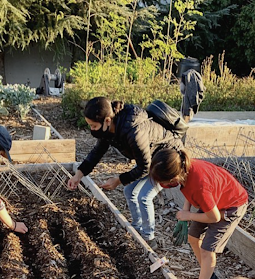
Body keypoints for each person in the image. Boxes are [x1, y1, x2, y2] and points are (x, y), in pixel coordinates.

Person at [67, 96, 184, 250]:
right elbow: (97, 152)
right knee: (129, 190)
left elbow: (144, 167)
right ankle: (136, 228)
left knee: (144, 196)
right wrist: (78, 175)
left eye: (93, 126)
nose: (91, 130)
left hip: (168, 161)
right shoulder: (109, 129)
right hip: (151, 160)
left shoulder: (134, 130)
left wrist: (118, 179)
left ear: (107, 120)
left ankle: (149, 238)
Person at [149, 148, 248, 279]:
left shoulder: (199, 185)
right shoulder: (184, 168)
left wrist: (188, 215)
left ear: (174, 177)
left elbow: (214, 217)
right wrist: (185, 211)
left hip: (230, 207)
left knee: (208, 250)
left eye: (164, 182)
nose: (162, 185)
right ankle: (210, 276)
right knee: (193, 237)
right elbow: (189, 191)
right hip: (214, 202)